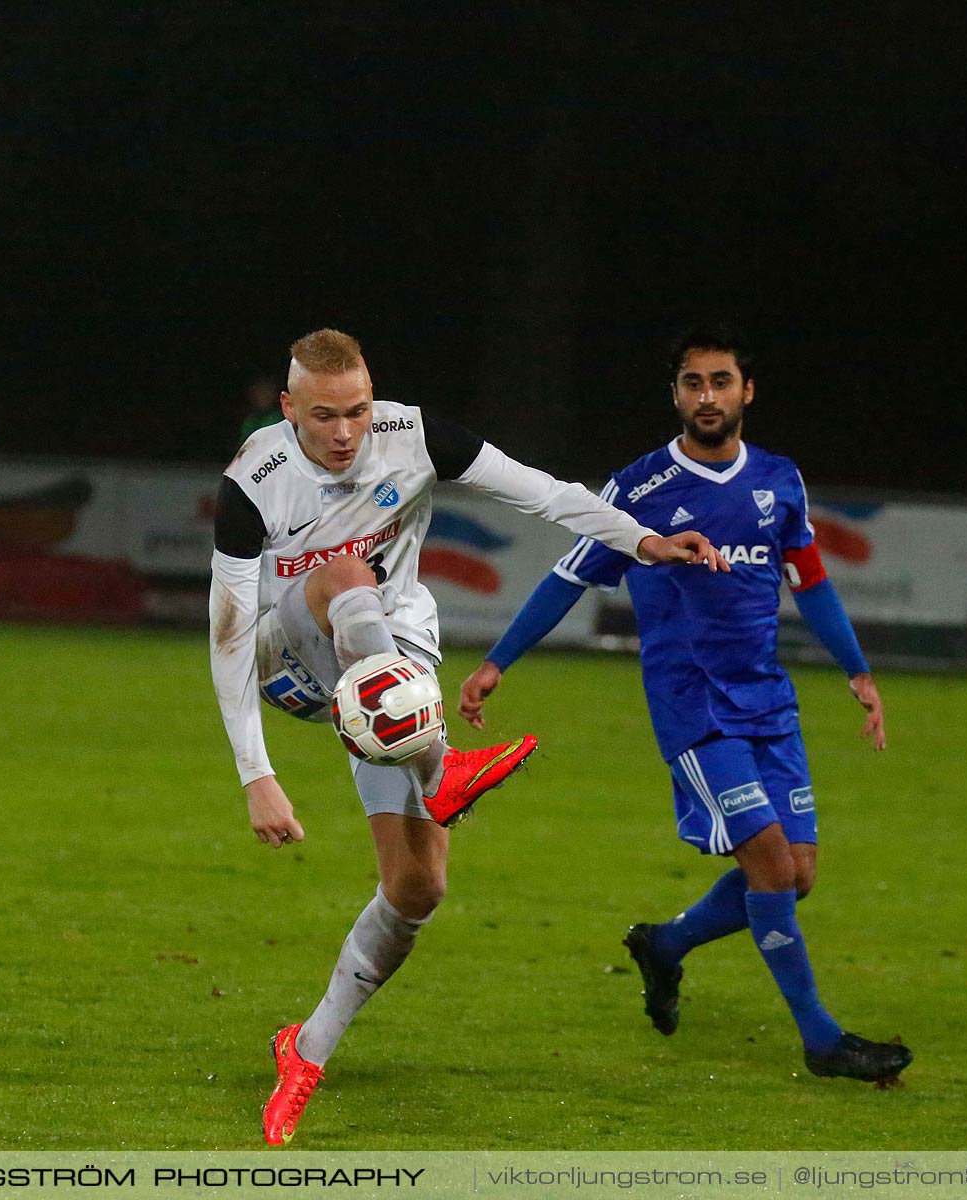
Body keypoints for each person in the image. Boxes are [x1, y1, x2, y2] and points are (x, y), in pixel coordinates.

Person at [209, 329, 723, 1145]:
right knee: (347, 578)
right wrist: (256, 773)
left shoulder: (414, 438)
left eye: (355, 412)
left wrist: (642, 540)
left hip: (391, 662)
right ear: (287, 410)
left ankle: (305, 1049)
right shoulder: (255, 480)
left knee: (418, 887)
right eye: (322, 417)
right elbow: (229, 632)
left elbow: (543, 492)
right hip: (291, 655)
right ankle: (445, 770)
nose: (344, 433)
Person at [458, 321, 913, 1084]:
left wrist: (858, 671)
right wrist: (498, 661)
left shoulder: (780, 482)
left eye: (721, 381)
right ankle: (822, 1040)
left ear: (747, 392)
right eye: (693, 383)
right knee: (769, 868)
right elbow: (567, 577)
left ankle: (665, 945)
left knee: (798, 873)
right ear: (676, 394)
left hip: (768, 700)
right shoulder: (637, 491)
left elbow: (812, 580)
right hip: (695, 708)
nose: (708, 396)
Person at [237, 375, 285, 446]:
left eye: (266, 391)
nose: (261, 396)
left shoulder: (280, 418)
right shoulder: (251, 420)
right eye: (258, 392)